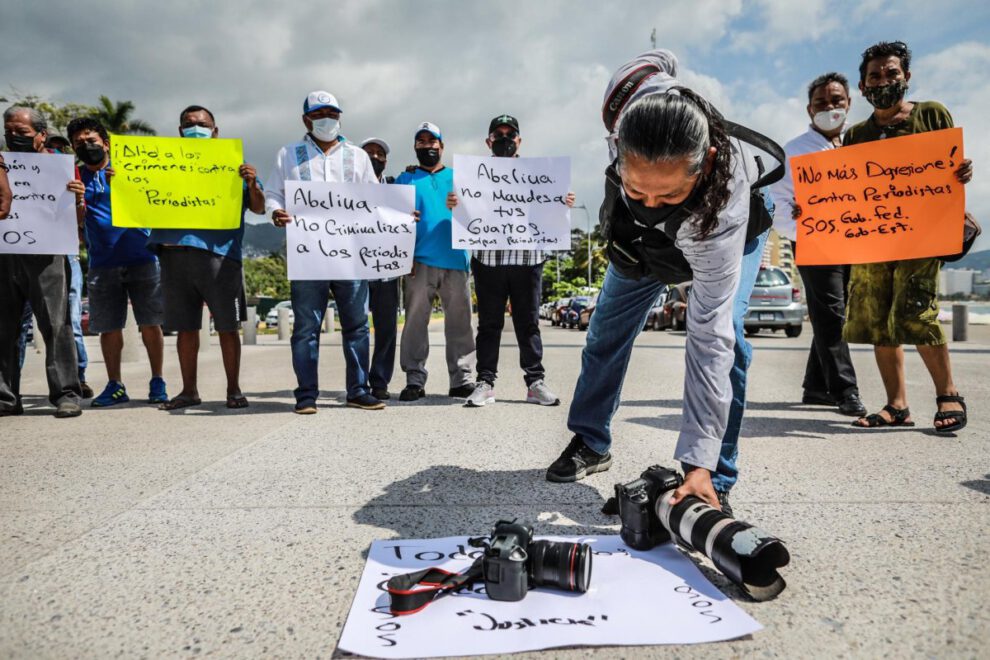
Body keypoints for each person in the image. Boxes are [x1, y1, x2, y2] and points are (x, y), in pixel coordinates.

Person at [544, 50, 779, 515]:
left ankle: (715, 475)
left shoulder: (723, 198)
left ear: (705, 162)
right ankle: (591, 440)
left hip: (711, 229)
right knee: (605, 330)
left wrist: (696, 463)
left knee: (727, 342)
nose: (652, 202)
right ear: (617, 144)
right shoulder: (624, 90)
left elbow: (708, 338)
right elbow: (662, 58)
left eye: (669, 193)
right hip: (640, 245)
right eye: (637, 189)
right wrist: (643, 205)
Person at [842, 41, 972, 433]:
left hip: (923, 238)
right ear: (862, 87)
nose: (884, 80)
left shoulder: (932, 114)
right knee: (877, 319)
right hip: (873, 242)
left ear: (907, 77)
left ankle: (948, 393)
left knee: (917, 311)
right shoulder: (855, 135)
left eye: (892, 73)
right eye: (875, 76)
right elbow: (843, 193)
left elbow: (950, 170)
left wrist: (961, 172)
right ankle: (896, 405)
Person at [265, 91, 383, 413]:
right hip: (309, 256)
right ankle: (306, 395)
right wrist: (276, 213)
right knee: (306, 329)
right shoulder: (288, 154)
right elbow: (273, 194)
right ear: (306, 120)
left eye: (331, 113)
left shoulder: (357, 156)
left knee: (357, 325)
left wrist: (398, 218)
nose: (326, 119)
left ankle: (358, 390)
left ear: (340, 117)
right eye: (319, 115)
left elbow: (375, 199)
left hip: (351, 255)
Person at [446, 114, 571, 408]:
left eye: (509, 134)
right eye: (498, 134)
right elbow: (465, 216)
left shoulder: (538, 174)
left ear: (519, 140)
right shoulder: (473, 176)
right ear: (488, 141)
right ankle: (486, 382)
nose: (504, 139)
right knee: (489, 324)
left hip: (528, 258)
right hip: (488, 259)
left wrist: (561, 200)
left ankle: (535, 382)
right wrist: (454, 204)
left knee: (528, 323)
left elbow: (550, 211)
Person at [146, 105, 265, 410]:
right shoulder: (160, 165)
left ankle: (234, 389)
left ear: (215, 131)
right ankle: (188, 391)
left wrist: (252, 182)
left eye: (201, 124)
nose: (194, 128)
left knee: (227, 326)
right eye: (188, 124)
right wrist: (121, 181)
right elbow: (138, 195)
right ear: (180, 130)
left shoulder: (234, 166)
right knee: (185, 327)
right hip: (174, 255)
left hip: (220, 258)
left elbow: (259, 208)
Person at [769, 73, 866, 417]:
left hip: (856, 242)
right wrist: (801, 222)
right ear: (809, 109)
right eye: (821, 103)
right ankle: (845, 391)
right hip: (814, 242)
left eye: (836, 100)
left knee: (833, 316)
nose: (829, 108)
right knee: (832, 316)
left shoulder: (860, 143)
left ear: (849, 103)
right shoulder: (793, 151)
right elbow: (778, 202)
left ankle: (816, 387)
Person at [66, 117, 168, 408]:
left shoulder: (133, 170)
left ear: (106, 144)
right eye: (79, 144)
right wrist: (77, 201)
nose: (86, 147)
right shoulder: (75, 180)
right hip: (102, 263)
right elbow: (73, 226)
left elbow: (159, 203)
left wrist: (126, 182)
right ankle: (115, 384)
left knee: (151, 323)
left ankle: (157, 380)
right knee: (109, 326)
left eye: (92, 141)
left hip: (144, 258)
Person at [0, 106, 83, 417]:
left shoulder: (59, 167)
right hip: (5, 254)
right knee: (4, 327)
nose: (13, 138)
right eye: (9, 132)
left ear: (41, 135)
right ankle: (6, 397)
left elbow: (77, 221)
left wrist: (78, 198)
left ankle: (66, 394)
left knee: (56, 324)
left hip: (47, 254)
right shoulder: (0, 163)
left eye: (22, 133)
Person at [395, 122, 476, 402]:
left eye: (433, 141)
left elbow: (482, 210)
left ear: (442, 146)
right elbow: (391, 221)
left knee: (460, 322)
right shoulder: (403, 180)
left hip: (456, 259)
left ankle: (461, 378)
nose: (427, 145)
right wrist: (403, 257)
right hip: (418, 261)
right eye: (422, 141)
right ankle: (414, 379)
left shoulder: (461, 177)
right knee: (415, 321)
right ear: (415, 147)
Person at [360, 137, 400, 400]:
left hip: (387, 270)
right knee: (357, 328)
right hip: (357, 271)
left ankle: (380, 382)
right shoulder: (346, 188)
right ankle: (358, 381)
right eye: (369, 153)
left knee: (386, 329)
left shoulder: (397, 188)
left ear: (386, 160)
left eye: (380, 153)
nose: (375, 157)